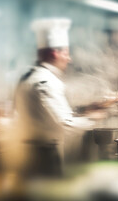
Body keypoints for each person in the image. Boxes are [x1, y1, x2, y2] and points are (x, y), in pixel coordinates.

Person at [14, 18, 105, 178]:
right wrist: (93, 118)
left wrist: (85, 110)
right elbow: (65, 125)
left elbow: (46, 116)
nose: (69, 59)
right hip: (43, 157)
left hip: (26, 152)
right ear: (54, 53)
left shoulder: (29, 76)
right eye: (66, 53)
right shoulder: (46, 81)